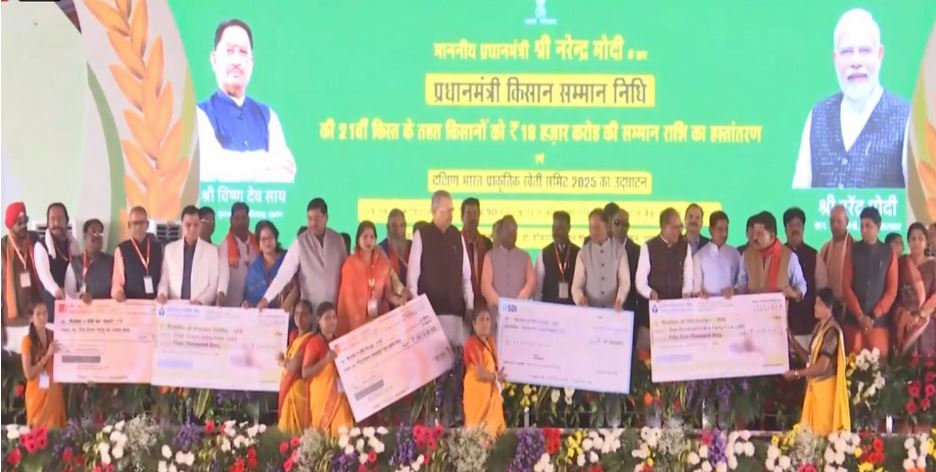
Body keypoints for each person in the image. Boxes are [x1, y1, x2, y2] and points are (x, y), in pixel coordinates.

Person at [792, 8, 909, 189]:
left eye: (864, 50)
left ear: (879, 55)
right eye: (847, 52)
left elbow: (921, 201)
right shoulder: (818, 116)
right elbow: (799, 198)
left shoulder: (907, 118)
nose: (856, 62)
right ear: (835, 59)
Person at [197, 19, 297, 183]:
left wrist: (233, 165)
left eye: (243, 52)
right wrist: (267, 161)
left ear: (252, 62)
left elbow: (286, 173)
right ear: (214, 60)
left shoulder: (268, 116)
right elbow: (211, 168)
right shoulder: (199, 114)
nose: (236, 61)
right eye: (229, 51)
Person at [407, 190, 474, 345]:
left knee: (457, 358)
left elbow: (466, 277)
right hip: (430, 316)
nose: (451, 215)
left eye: (452, 210)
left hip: (456, 315)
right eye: (447, 211)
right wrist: (419, 314)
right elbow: (412, 279)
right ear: (434, 210)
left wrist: (469, 307)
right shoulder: (422, 235)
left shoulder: (457, 236)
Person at [259, 198, 348, 313]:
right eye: (310, 218)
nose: (313, 223)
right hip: (309, 313)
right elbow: (284, 274)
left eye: (317, 218)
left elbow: (347, 273)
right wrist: (266, 298)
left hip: (334, 312)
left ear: (326, 218)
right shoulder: (299, 242)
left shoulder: (337, 240)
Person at [783, 288, 850, 435]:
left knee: (823, 435)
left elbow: (821, 367)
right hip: (815, 389)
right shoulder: (819, 327)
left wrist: (797, 373)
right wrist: (792, 341)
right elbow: (810, 359)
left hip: (826, 392)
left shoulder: (832, 332)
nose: (815, 307)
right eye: (815, 303)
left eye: (819, 304)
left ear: (829, 308)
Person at [635, 208, 693, 353]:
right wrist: (650, 293)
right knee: (647, 359)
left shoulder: (685, 247)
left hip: (676, 318)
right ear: (664, 227)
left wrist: (686, 292)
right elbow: (640, 282)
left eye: (680, 227)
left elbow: (688, 276)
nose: (679, 231)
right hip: (652, 317)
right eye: (675, 227)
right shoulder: (648, 247)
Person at [842, 207, 898, 357]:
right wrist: (860, 316)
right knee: (852, 366)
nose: (863, 230)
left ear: (878, 227)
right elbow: (846, 286)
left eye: (868, 226)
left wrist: (873, 316)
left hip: (878, 324)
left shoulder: (888, 252)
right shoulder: (852, 250)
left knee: (878, 368)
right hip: (853, 321)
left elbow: (892, 290)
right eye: (861, 226)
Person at [337, 221, 405, 336]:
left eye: (372, 237)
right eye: (365, 237)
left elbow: (387, 292)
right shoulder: (349, 265)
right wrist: (362, 321)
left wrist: (397, 300)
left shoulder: (383, 264)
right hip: (356, 327)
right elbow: (347, 302)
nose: (368, 241)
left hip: (379, 323)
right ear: (358, 239)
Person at [303, 302, 353, 436]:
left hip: (340, 398)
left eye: (334, 317)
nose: (331, 321)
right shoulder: (314, 343)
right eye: (327, 318)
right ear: (318, 321)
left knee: (343, 436)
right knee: (323, 439)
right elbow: (305, 372)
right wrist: (325, 361)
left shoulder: (339, 342)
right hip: (321, 399)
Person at [735, 212, 808, 303]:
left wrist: (794, 293)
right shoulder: (746, 255)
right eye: (754, 233)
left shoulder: (789, 256)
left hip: (779, 311)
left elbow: (801, 284)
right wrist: (735, 291)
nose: (754, 238)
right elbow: (741, 284)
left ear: (772, 235)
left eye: (759, 234)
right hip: (750, 310)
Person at [157, 206, 221, 305]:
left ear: (200, 225)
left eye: (196, 225)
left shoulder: (211, 251)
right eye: (188, 225)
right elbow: (164, 280)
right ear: (182, 225)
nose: (192, 229)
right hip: (175, 307)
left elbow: (213, 285)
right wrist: (162, 293)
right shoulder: (170, 249)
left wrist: (200, 301)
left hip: (200, 308)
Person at [480, 215, 536, 330]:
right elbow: (486, 286)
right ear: (501, 232)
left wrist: (521, 298)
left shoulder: (525, 256)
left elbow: (531, 282)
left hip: (519, 317)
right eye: (508, 230)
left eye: (514, 231)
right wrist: (502, 305)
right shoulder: (490, 256)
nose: (512, 234)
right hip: (495, 316)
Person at [784, 208, 827, 351]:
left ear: (803, 228)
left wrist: (820, 322)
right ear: (785, 229)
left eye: (798, 225)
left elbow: (823, 292)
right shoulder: (779, 255)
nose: (795, 229)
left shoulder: (814, 255)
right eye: (791, 225)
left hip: (809, 325)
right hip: (783, 325)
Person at [571, 209, 631, 310]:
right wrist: (579, 298)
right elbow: (577, 285)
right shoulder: (583, 253)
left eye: (597, 228)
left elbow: (625, 281)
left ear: (607, 227)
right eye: (591, 228)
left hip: (613, 310)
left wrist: (620, 299)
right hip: (590, 310)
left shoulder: (620, 250)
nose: (593, 232)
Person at [893, 223, 936, 357]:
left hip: (926, 324)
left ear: (926, 242)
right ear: (908, 242)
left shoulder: (933, 265)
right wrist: (904, 316)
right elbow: (893, 294)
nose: (916, 242)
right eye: (913, 238)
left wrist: (919, 314)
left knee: (926, 364)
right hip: (905, 323)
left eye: (920, 238)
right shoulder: (900, 264)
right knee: (905, 364)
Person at [463, 306, 506, 437]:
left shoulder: (490, 342)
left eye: (488, 319)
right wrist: (496, 377)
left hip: (491, 395)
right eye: (481, 319)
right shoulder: (471, 343)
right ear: (474, 324)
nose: (485, 323)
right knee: (477, 435)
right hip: (477, 397)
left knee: (495, 433)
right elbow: (480, 373)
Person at [20, 302, 66, 428]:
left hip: (53, 392)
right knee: (38, 433)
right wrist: (47, 355)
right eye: (38, 314)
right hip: (36, 394)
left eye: (45, 313)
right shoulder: (27, 341)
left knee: (55, 433)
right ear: (31, 317)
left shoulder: (53, 334)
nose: (43, 317)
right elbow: (28, 373)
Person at [34, 203, 79, 321]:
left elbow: (78, 271)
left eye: (60, 219)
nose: (56, 223)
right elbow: (44, 276)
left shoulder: (74, 244)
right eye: (52, 219)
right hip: (51, 304)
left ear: (67, 221)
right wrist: (56, 290)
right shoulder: (41, 246)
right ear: (47, 222)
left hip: (71, 304)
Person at [277, 300, 315, 435]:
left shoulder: (311, 339)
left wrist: (282, 361)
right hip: (287, 389)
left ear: (310, 316)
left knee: (296, 435)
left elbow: (295, 366)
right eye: (297, 313)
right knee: (284, 435)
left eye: (304, 314)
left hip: (298, 391)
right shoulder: (293, 336)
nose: (299, 317)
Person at [113, 206, 164, 301]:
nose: (138, 227)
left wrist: (162, 293)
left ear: (147, 225)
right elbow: (117, 281)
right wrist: (118, 293)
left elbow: (163, 277)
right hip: (131, 304)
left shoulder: (158, 248)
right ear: (129, 225)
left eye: (141, 223)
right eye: (135, 223)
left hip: (154, 302)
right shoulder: (121, 249)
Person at [2, 202, 41, 326]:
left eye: (25, 221)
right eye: (19, 223)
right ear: (10, 225)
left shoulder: (34, 239)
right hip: (13, 321)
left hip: (37, 316)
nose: (24, 226)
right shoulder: (2, 247)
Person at [243, 220, 292, 308]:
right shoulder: (254, 269)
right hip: (260, 313)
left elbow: (295, 287)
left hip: (285, 312)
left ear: (276, 239)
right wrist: (248, 304)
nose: (267, 242)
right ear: (258, 243)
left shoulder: (287, 260)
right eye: (263, 239)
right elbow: (249, 298)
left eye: (270, 238)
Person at [218, 202, 258, 307]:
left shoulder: (257, 242)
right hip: (232, 303)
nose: (241, 222)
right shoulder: (224, 245)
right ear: (231, 220)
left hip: (255, 304)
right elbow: (223, 273)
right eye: (237, 218)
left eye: (244, 218)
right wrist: (221, 292)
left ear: (249, 220)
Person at [692, 211, 740, 297]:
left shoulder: (735, 253)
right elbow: (696, 287)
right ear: (711, 230)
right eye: (720, 229)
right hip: (707, 303)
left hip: (731, 303)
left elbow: (741, 282)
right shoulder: (699, 256)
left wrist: (734, 289)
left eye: (726, 229)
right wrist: (700, 293)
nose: (724, 234)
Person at [535, 211, 580, 304]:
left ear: (569, 228)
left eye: (561, 228)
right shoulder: (543, 253)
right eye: (554, 228)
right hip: (549, 307)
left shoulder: (579, 253)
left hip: (572, 307)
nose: (556, 232)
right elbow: (538, 287)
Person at [64, 219, 113, 302]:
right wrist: (80, 296)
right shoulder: (74, 264)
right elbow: (68, 294)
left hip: (109, 308)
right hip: (84, 309)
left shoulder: (112, 261)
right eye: (93, 232)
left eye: (100, 233)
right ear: (84, 235)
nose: (97, 235)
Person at [819, 205, 853, 306]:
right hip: (828, 304)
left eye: (839, 221)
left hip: (849, 305)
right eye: (832, 222)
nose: (835, 225)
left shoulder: (855, 247)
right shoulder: (825, 248)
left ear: (847, 222)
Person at [461, 198, 493, 307]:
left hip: (483, 303)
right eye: (469, 213)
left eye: (475, 213)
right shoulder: (455, 242)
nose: (472, 218)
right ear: (462, 217)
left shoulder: (487, 243)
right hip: (461, 302)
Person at [612, 209, 641, 314]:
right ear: (611, 225)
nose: (620, 227)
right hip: (605, 307)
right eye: (617, 223)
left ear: (628, 227)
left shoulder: (638, 251)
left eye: (624, 224)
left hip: (629, 308)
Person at [378, 209, 411, 285]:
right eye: (394, 226)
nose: (398, 230)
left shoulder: (413, 247)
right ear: (387, 227)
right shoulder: (381, 250)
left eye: (402, 225)